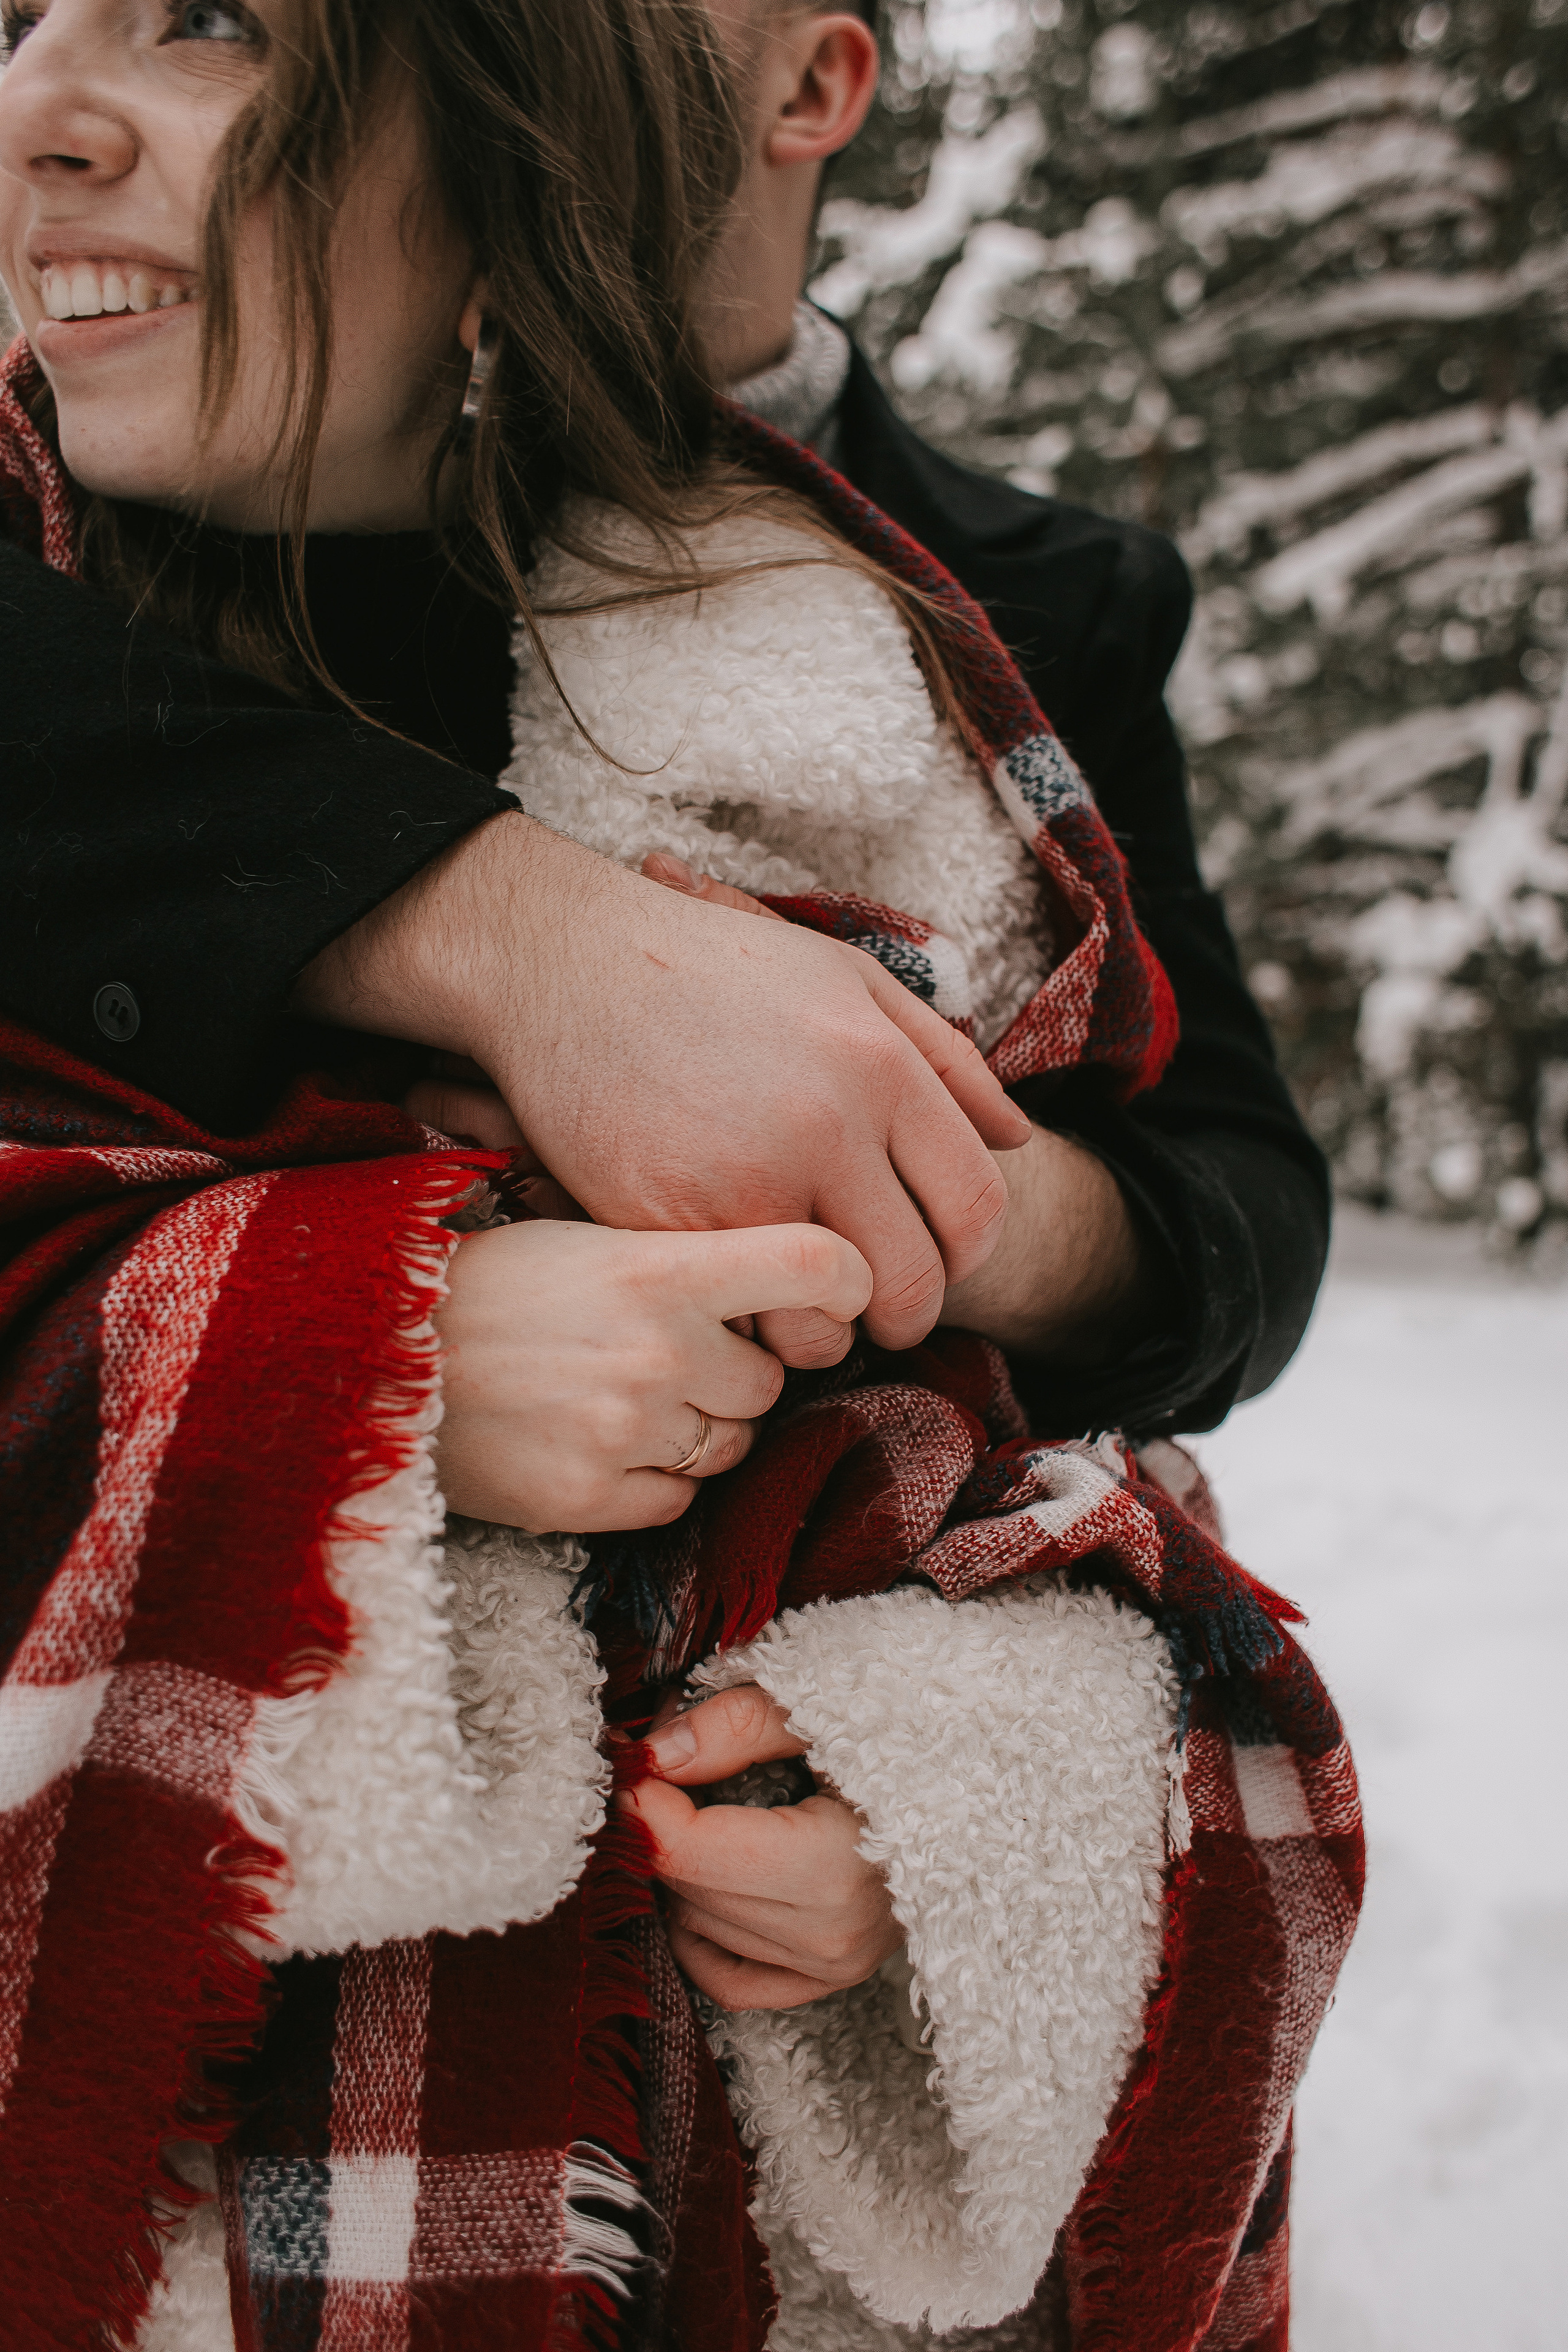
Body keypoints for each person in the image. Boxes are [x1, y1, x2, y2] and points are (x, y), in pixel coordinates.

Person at [0, 4, 1359, 2350]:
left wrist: (901, 1215)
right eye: (26, 11)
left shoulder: (917, 682)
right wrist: (374, 1325)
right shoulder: (70, 613)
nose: (33, 99)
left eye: (208, 16)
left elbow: (1142, 1338)